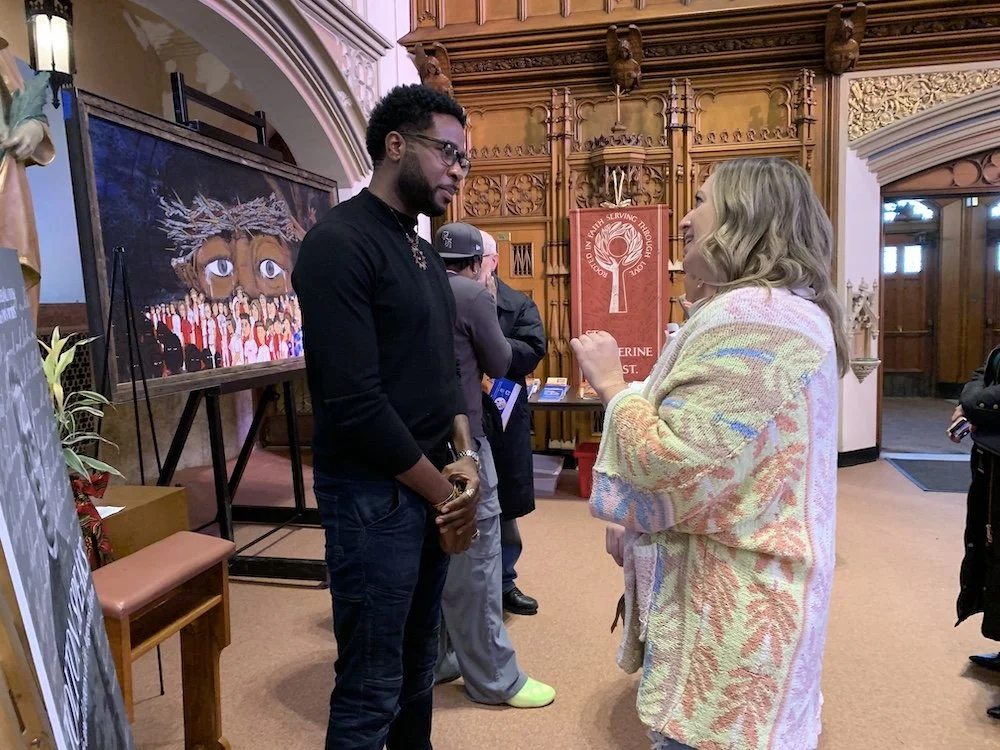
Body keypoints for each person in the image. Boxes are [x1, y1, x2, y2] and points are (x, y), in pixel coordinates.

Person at [573, 157, 847, 750]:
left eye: (701, 200)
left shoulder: (756, 319)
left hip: (734, 605)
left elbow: (676, 465)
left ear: (745, 218)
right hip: (754, 581)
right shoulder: (782, 311)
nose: (687, 217)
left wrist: (612, 386)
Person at [291, 84, 483, 750]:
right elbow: (353, 403)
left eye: (466, 160)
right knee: (371, 687)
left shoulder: (423, 251)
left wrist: (467, 459)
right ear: (396, 144)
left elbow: (444, 372)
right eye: (448, 153)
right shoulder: (338, 243)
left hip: (428, 488)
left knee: (417, 671)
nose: (458, 170)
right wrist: (445, 494)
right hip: (375, 496)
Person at [432, 222, 555, 709]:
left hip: (418, 442)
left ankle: (440, 658)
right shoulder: (472, 295)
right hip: (465, 441)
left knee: (440, 557)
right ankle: (495, 679)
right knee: (477, 561)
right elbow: (503, 360)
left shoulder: (410, 287)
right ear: (481, 263)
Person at [953, 352, 1000, 719]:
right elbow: (980, 376)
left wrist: (974, 404)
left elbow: (980, 396)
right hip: (992, 463)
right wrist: (973, 405)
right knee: (993, 555)